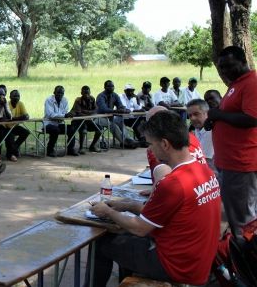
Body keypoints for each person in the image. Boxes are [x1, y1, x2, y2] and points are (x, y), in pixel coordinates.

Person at [85, 112, 221, 287]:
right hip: (198, 259)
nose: (149, 149)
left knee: (102, 243)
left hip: (178, 266)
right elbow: (165, 214)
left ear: (164, 144)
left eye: (150, 144)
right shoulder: (203, 171)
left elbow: (140, 228)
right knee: (125, 240)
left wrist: (108, 211)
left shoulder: (174, 183)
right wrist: (126, 206)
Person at [207, 45, 257, 234]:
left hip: (241, 163)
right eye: (222, 67)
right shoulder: (237, 84)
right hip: (229, 162)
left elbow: (252, 118)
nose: (225, 71)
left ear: (243, 61)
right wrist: (215, 119)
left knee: (243, 220)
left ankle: (245, 259)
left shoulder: (251, 83)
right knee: (235, 214)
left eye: (229, 65)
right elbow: (231, 114)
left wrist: (219, 115)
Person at [96, 80, 137, 148]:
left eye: (112, 86)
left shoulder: (114, 95)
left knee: (120, 121)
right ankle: (125, 143)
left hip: (110, 118)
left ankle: (129, 140)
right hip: (99, 118)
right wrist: (117, 111)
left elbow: (120, 105)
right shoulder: (101, 96)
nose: (111, 88)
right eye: (109, 86)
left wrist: (124, 109)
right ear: (105, 87)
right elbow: (104, 109)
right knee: (113, 126)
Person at [43, 86, 76, 157]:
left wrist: (64, 115)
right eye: (58, 93)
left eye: (62, 93)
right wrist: (64, 116)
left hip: (59, 123)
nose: (60, 94)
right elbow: (51, 115)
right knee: (55, 130)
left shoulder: (65, 100)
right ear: (54, 92)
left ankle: (70, 149)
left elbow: (65, 112)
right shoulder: (49, 100)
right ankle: (50, 150)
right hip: (47, 124)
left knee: (72, 128)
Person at [69, 85, 103, 152]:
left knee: (100, 129)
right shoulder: (78, 100)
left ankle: (92, 146)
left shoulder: (92, 99)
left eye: (88, 93)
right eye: (85, 93)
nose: (86, 95)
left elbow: (96, 109)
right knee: (83, 130)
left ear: (90, 92)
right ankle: (81, 147)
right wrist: (90, 113)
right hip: (78, 122)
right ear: (81, 93)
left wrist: (86, 112)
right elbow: (79, 113)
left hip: (88, 121)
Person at [187, 99, 215, 174]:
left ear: (207, 114)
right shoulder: (197, 130)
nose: (192, 118)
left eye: (196, 114)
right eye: (190, 115)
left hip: (211, 176)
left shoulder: (210, 132)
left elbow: (204, 162)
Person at [2, 89, 30, 161]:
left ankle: (14, 149)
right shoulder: (7, 105)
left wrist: (14, 119)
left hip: (14, 126)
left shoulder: (20, 104)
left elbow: (26, 116)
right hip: (6, 127)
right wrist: (20, 118)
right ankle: (10, 155)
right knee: (10, 136)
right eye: (14, 96)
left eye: (18, 96)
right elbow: (8, 119)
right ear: (10, 97)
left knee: (26, 132)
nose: (16, 98)